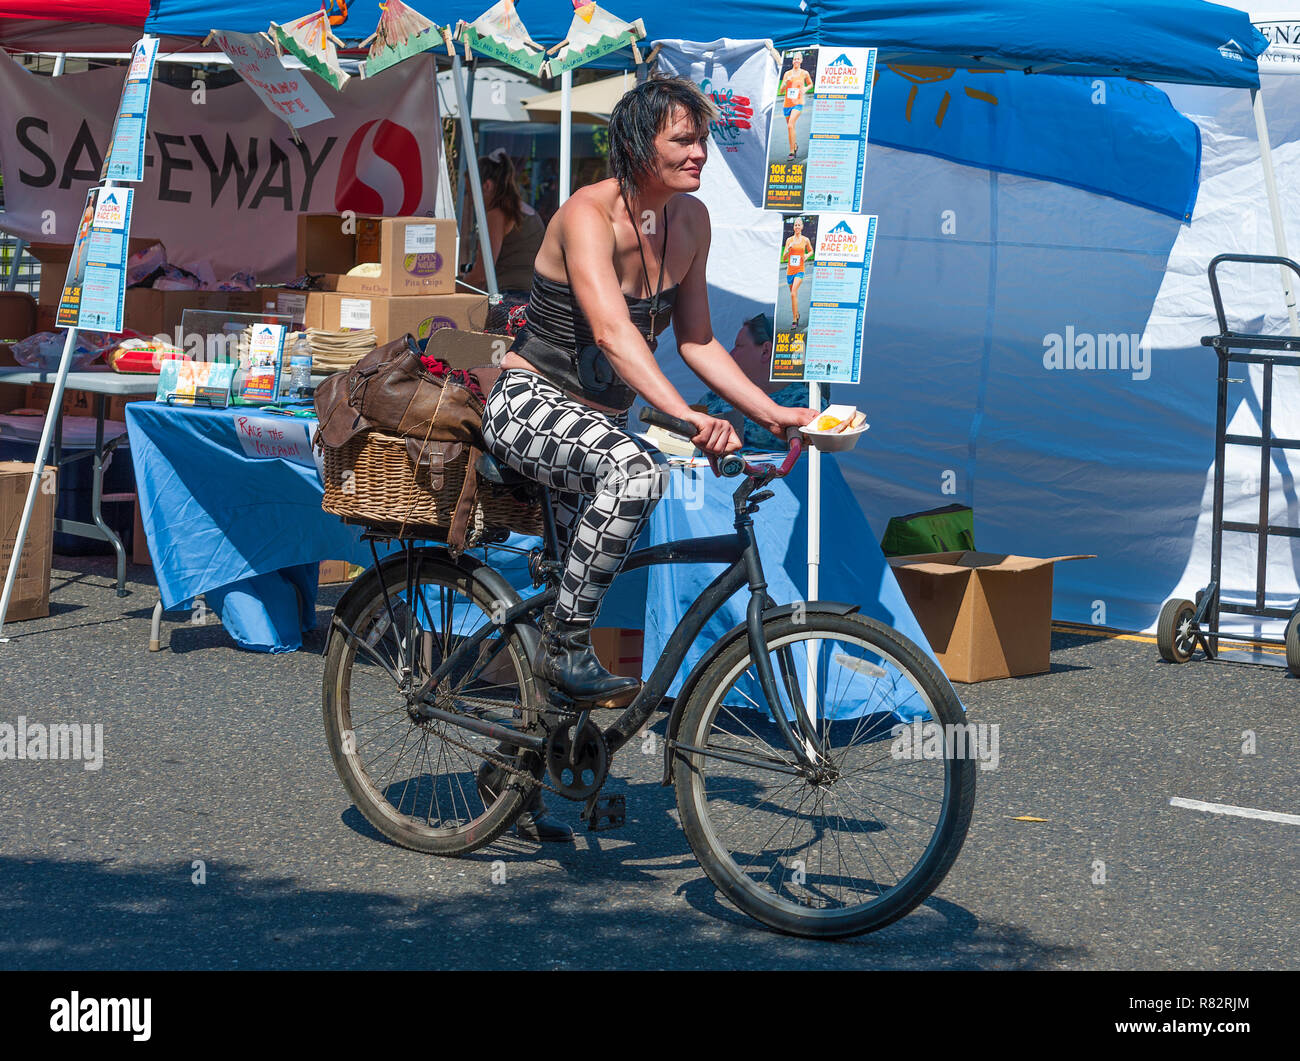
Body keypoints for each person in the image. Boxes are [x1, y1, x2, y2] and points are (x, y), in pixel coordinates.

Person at [480, 76, 816, 708]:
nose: (700, 153)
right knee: (636, 472)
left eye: (703, 139)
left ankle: (535, 746)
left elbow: (698, 340)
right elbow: (612, 333)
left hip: (599, 423)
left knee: (576, 575)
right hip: (528, 402)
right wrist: (685, 415)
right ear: (638, 144)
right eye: (683, 140)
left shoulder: (692, 220)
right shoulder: (586, 214)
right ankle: (564, 645)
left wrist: (772, 412)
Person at [460, 148, 546, 333]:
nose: (471, 200)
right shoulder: (526, 211)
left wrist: (452, 292)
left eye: (470, 192)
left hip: (510, 302)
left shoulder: (497, 214)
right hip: (535, 301)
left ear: (487, 186)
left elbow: (482, 274)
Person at [700, 313, 811, 451]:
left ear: (765, 351)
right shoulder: (715, 397)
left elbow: (811, 458)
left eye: (738, 346)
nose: (731, 354)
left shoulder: (804, 405)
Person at [778, 53, 815, 162]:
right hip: (787, 105)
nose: (796, 61)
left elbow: (810, 84)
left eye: (798, 59)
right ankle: (794, 146)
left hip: (798, 103)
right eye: (794, 59)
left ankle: (791, 152)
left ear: (801, 61)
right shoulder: (787, 73)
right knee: (791, 128)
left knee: (790, 125)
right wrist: (786, 82)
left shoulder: (804, 73)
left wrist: (805, 89)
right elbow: (781, 91)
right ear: (792, 61)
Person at [782, 216, 813, 328]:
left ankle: (794, 319)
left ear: (802, 227)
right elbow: (784, 258)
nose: (797, 227)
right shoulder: (789, 240)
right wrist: (788, 249)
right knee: (793, 295)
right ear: (793, 227)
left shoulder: (805, 240)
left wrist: (807, 255)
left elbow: (811, 251)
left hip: (800, 270)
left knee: (793, 292)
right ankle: (797, 314)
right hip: (790, 271)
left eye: (799, 225)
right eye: (795, 225)